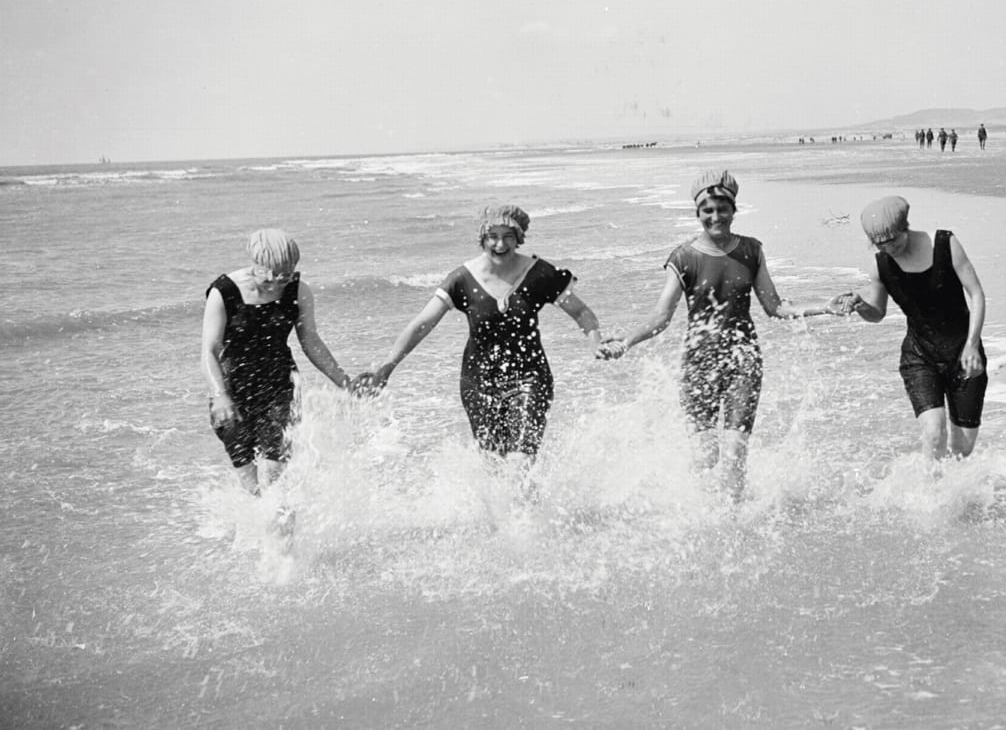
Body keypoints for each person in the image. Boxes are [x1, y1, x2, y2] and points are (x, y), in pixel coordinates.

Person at [600, 171, 813, 502]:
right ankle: (700, 512)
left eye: (722, 209)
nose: (716, 217)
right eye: (707, 210)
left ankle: (733, 517)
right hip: (699, 363)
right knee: (705, 456)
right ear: (697, 213)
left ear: (733, 209)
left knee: (736, 452)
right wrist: (626, 342)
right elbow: (661, 316)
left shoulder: (751, 251)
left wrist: (824, 307)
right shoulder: (684, 258)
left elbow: (775, 307)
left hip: (744, 361)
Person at [367, 205, 604, 465]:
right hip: (478, 382)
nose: (500, 244)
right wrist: (388, 366)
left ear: (519, 238)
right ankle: (518, 506)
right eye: (493, 236)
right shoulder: (462, 280)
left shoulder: (539, 274)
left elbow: (582, 312)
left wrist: (595, 343)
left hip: (530, 376)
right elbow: (423, 324)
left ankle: (523, 502)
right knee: (494, 465)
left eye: (508, 236)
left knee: (520, 462)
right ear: (482, 238)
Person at [830, 197, 987, 462]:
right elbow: (877, 313)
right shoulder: (881, 265)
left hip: (963, 353)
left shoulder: (945, 244)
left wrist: (972, 344)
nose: (889, 247)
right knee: (934, 433)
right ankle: (929, 496)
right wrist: (859, 304)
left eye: (894, 240)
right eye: (881, 243)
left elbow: (977, 294)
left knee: (963, 449)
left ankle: (951, 490)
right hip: (919, 357)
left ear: (906, 227)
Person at [202, 229, 356, 495]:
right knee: (252, 486)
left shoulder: (299, 291)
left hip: (280, 389)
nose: (275, 284)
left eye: (284, 276)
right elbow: (209, 351)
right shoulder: (224, 291)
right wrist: (220, 396)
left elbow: (310, 341)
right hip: (233, 392)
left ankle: (284, 534)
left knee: (275, 479)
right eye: (269, 274)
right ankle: (262, 533)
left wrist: (343, 381)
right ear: (255, 262)